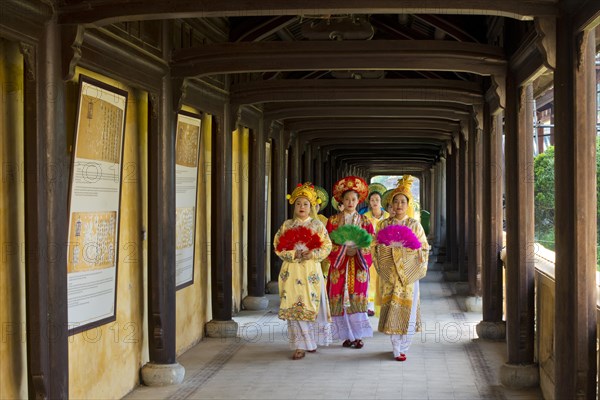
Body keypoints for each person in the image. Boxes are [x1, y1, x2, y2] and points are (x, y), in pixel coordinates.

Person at [273, 182, 333, 360]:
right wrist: (293, 253)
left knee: (309, 305)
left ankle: (311, 341)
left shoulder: (317, 226)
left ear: (312, 206)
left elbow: (327, 246)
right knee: (294, 308)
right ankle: (300, 346)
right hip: (291, 272)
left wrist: (312, 253)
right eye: (298, 203)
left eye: (305, 204)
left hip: (310, 272)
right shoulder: (287, 225)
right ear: (294, 206)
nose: (302, 207)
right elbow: (278, 246)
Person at [373, 175, 430, 361]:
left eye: (403, 202)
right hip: (390, 274)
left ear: (408, 205)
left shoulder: (414, 225)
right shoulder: (383, 225)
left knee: (409, 308)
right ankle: (396, 346)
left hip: (408, 275)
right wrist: (389, 250)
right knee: (391, 307)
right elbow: (376, 246)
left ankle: (404, 345)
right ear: (390, 205)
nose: (399, 205)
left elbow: (423, 248)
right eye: (395, 202)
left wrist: (407, 253)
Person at [326, 176, 374, 349]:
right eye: (346, 199)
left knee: (357, 301)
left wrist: (358, 250)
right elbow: (327, 244)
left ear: (359, 201)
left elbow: (371, 243)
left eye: (354, 199)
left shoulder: (365, 222)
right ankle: (346, 336)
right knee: (340, 300)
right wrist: (344, 250)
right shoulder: (332, 221)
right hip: (339, 267)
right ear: (341, 200)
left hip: (358, 267)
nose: (350, 202)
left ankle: (358, 336)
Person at [363, 191, 389, 316]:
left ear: (381, 201)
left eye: (377, 200)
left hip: (385, 251)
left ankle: (385, 305)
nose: (374, 202)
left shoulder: (388, 217)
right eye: (372, 200)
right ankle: (370, 305)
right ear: (369, 201)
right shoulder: (365, 217)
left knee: (384, 277)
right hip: (369, 251)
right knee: (370, 278)